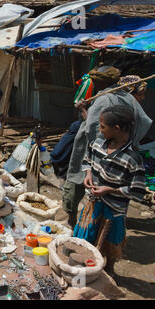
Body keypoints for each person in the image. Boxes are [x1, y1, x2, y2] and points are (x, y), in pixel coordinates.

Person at [63, 74, 152, 228]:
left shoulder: (107, 100)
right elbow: (143, 123)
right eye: (141, 94)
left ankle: (76, 220)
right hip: (103, 154)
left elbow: (92, 126)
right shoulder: (119, 102)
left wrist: (83, 109)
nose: (142, 98)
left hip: (98, 152)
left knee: (81, 185)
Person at [74, 106, 146, 276]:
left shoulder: (132, 158)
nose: (100, 130)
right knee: (87, 236)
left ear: (117, 128)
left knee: (111, 242)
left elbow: (137, 190)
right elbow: (87, 160)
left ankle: (109, 269)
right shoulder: (98, 143)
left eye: (102, 126)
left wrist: (111, 189)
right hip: (93, 202)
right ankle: (86, 265)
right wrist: (89, 173)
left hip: (114, 209)